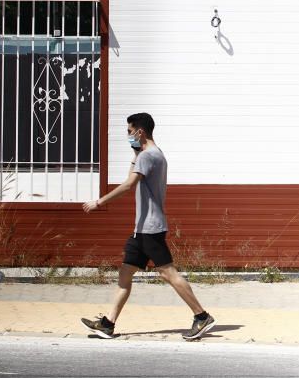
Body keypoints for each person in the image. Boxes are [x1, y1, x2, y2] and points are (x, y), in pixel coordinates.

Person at [79, 112, 215, 341]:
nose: (128, 135)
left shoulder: (147, 156)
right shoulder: (155, 154)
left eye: (129, 131)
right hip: (142, 228)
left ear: (140, 131)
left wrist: (99, 202)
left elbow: (128, 184)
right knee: (125, 271)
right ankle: (108, 324)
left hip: (150, 227)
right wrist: (135, 153)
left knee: (167, 272)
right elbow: (134, 176)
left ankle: (201, 316)